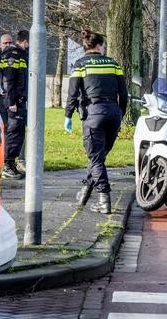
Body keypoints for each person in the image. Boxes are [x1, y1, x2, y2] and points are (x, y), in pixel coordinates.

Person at [64, 30, 127, 214]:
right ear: (100, 46)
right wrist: (120, 113)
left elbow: (73, 93)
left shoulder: (80, 65)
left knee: (96, 159)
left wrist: (68, 115)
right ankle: (85, 190)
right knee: (99, 158)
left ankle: (104, 200)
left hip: (93, 115)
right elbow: (123, 93)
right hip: (113, 114)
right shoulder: (113, 64)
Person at [0, 39, 28, 179]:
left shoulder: (20, 55)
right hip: (14, 102)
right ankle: (7, 165)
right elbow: (8, 81)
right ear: (26, 41)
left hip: (19, 101)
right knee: (14, 133)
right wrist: (12, 102)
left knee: (18, 133)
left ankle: (11, 164)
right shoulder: (12, 56)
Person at [14, 30, 30, 173]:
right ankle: (17, 160)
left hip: (23, 98)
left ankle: (20, 159)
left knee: (20, 130)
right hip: (18, 99)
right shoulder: (18, 55)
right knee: (16, 130)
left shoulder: (25, 55)